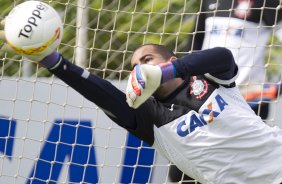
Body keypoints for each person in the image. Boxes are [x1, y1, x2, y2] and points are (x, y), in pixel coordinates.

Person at [1, 22, 282, 183]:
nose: (138, 68)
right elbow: (98, 90)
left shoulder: (210, 78)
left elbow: (224, 56)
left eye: (146, 60)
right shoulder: (147, 117)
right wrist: (53, 61)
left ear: (171, 60)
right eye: (133, 66)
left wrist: (167, 72)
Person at [168, 0, 282, 182]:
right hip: (205, 97)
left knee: (240, 171)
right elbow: (195, 41)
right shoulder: (209, 2)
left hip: (247, 100)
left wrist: (277, 87)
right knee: (184, 171)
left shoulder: (266, 3)